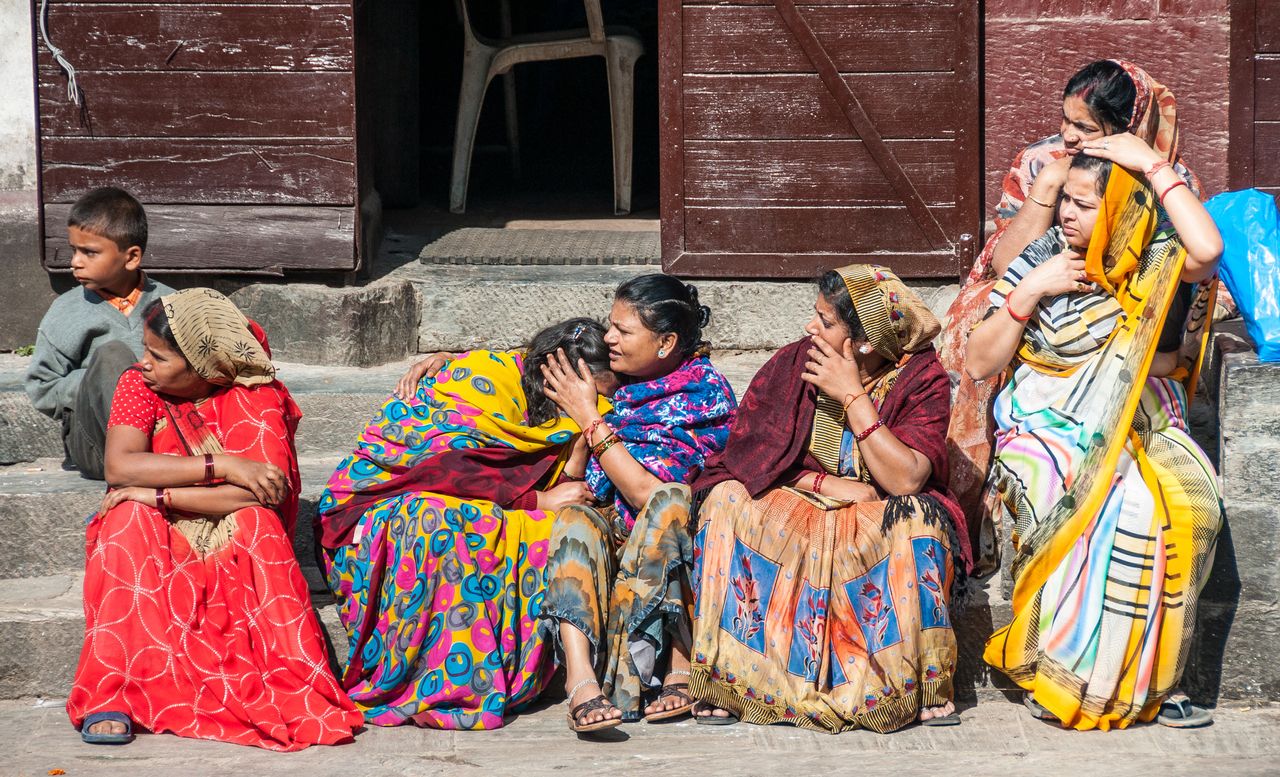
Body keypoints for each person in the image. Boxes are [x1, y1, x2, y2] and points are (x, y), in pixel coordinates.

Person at [966, 134, 1224, 730]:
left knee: (1182, 507)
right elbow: (979, 362)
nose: (1068, 214)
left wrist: (1148, 163)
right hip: (1044, 420)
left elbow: (1207, 249)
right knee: (1076, 484)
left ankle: (1151, 678)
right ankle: (1065, 672)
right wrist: (1031, 291)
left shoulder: (1147, 256)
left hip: (1137, 414)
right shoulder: (1042, 258)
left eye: (1084, 204)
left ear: (1118, 208)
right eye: (1066, 201)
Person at [938, 60, 1218, 575]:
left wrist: (1147, 169)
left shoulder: (1164, 192)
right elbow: (1010, 264)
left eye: (1085, 127)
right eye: (1065, 120)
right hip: (1049, 345)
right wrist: (1050, 188)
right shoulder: (1047, 169)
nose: (1069, 136)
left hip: (1131, 366)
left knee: (1152, 507)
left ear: (1128, 130)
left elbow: (1201, 255)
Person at [68, 288, 362, 750]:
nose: (145, 362)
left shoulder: (256, 397)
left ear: (206, 367)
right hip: (165, 517)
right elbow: (121, 467)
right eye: (146, 350)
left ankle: (265, 678)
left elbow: (260, 497)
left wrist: (158, 493)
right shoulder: (139, 384)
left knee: (257, 527)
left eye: (160, 357)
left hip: (224, 518)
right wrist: (221, 465)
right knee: (126, 518)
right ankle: (118, 691)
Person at [685, 265, 968, 733]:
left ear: (865, 342)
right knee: (724, 500)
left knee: (918, 520)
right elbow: (750, 455)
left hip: (878, 511)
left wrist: (852, 395)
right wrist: (823, 485)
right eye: (814, 315)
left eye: (826, 321)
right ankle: (733, 682)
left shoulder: (922, 377)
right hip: (800, 498)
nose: (810, 328)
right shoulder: (796, 363)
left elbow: (906, 479)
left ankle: (907, 687)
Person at [316, 319, 617, 730]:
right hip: (377, 498)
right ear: (555, 376)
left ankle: (488, 674)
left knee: (546, 530)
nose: (601, 402)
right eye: (597, 392)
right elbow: (437, 468)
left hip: (471, 500)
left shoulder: (581, 408)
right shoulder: (479, 380)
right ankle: (442, 680)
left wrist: (582, 429)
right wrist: (535, 499)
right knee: (435, 523)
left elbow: (572, 482)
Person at [537, 274, 737, 733]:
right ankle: (581, 682)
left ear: (665, 342)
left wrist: (590, 418)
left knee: (670, 503)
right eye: (611, 325)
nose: (608, 338)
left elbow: (645, 493)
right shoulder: (619, 384)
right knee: (575, 519)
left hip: (672, 537)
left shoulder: (702, 394)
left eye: (623, 331)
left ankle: (680, 665)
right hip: (616, 528)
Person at [25, 187, 175, 479]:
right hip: (98, 445)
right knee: (112, 357)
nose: (75, 261)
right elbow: (41, 387)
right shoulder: (66, 311)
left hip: (162, 431)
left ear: (131, 258)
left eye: (89, 252)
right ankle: (139, 465)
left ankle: (164, 458)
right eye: (74, 250)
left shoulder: (171, 304)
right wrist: (100, 381)